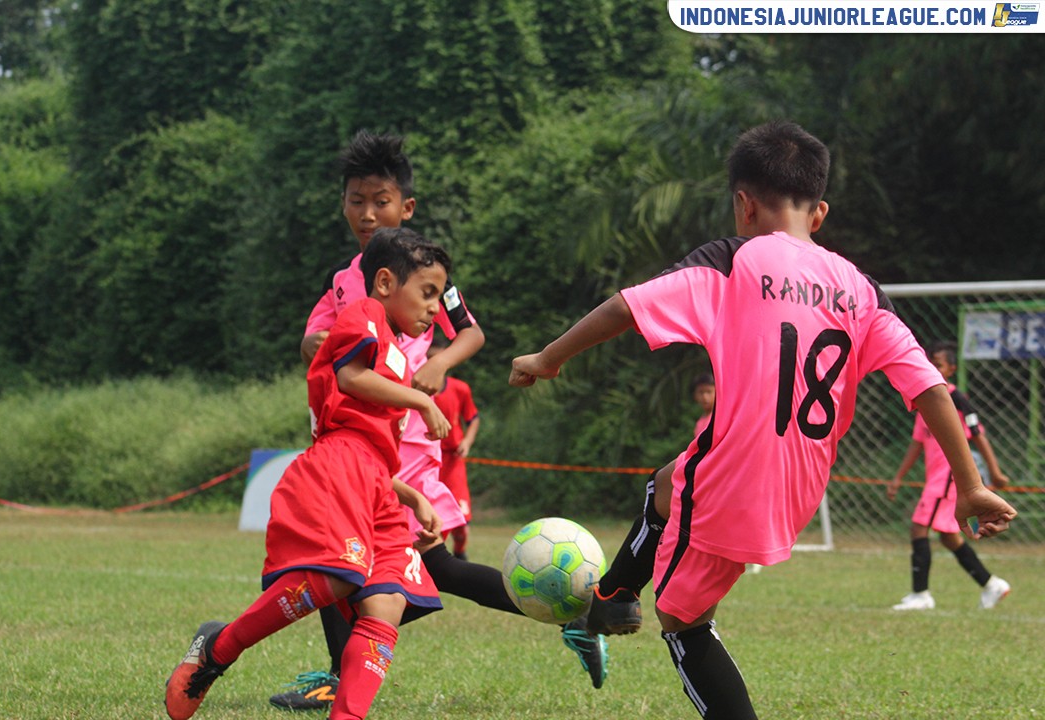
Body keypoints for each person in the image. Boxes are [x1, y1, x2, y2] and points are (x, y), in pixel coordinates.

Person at [510, 120, 1017, 719]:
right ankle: (615, 596)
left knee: (684, 622)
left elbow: (628, 304)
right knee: (670, 480)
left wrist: (548, 358)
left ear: (743, 204)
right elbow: (929, 387)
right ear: (819, 213)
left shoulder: (732, 261)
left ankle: (624, 605)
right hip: (800, 481)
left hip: (733, 471)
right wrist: (971, 483)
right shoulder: (862, 290)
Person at [271, 131, 607, 713]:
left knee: (348, 556)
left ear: (407, 207)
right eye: (356, 200)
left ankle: (334, 673)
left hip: (399, 448)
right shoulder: (343, 279)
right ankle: (572, 616)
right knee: (418, 566)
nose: (367, 213)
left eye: (381, 200)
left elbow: (471, 332)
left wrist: (441, 364)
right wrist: (318, 343)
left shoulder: (425, 273)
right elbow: (312, 341)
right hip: (354, 441)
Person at [165, 228, 453, 720]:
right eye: (426, 292)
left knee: (387, 604)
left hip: (374, 482)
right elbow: (349, 379)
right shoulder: (363, 315)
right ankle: (218, 649)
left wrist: (409, 496)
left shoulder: (401, 356)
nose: (434, 308)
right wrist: (422, 400)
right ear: (384, 282)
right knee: (337, 580)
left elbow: (373, 447)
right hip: (337, 468)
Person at [887, 339, 1012, 611]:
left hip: (949, 476)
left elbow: (978, 435)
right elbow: (917, 443)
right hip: (936, 477)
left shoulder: (954, 398)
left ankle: (921, 594)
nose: (933, 368)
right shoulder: (924, 398)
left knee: (919, 526)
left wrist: (994, 471)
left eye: (939, 364)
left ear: (952, 369)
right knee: (948, 536)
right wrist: (898, 477)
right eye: (929, 363)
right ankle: (991, 584)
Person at [428, 338, 481, 560]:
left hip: (452, 462)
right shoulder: (414, 389)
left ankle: (460, 554)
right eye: (430, 359)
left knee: (461, 527)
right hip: (427, 462)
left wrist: (466, 442)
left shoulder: (460, 389)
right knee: (433, 522)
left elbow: (473, 418)